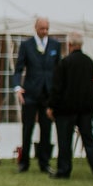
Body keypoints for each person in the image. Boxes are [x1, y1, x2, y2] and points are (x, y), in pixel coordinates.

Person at [46, 32, 93, 181]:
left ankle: (64, 170)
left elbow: (57, 88)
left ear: (70, 45)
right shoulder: (89, 62)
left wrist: (51, 106)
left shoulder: (64, 63)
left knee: (64, 141)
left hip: (66, 109)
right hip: (85, 109)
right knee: (89, 140)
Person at [12, 17, 61, 173]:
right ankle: (24, 162)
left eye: (47, 28)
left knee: (46, 129)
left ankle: (44, 162)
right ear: (35, 28)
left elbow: (58, 69)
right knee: (28, 128)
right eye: (42, 28)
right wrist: (17, 87)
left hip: (48, 95)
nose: (45, 31)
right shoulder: (26, 45)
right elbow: (18, 68)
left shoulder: (55, 45)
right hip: (31, 92)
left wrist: (57, 90)